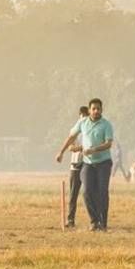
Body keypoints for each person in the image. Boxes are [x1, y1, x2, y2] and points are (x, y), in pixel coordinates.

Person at [56, 98, 115, 231]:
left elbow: (109, 143)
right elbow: (71, 137)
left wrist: (94, 149)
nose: (96, 111)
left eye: (98, 109)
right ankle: (94, 221)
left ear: (102, 110)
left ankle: (103, 222)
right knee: (86, 191)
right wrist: (61, 152)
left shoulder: (106, 125)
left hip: (103, 163)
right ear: (89, 110)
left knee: (102, 192)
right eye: (93, 109)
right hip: (88, 163)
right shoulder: (82, 123)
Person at [55, 105, 88, 229]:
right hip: (75, 164)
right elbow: (70, 146)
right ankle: (70, 220)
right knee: (73, 194)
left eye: (85, 117)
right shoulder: (75, 129)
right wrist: (78, 148)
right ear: (79, 116)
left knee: (89, 193)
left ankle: (96, 220)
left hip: (87, 163)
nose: (83, 119)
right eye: (82, 117)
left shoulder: (89, 130)